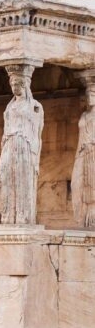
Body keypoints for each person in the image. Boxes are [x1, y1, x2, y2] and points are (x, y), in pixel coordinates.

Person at [0, 74, 44, 224]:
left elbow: (38, 132)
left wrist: (36, 158)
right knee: (2, 177)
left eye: (17, 83)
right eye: (12, 83)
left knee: (23, 179)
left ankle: (23, 217)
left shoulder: (35, 106)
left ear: (25, 84)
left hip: (25, 144)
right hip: (9, 144)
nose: (14, 86)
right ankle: (8, 215)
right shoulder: (9, 106)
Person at [72, 83, 95, 227]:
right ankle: (83, 217)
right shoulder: (84, 115)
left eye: (92, 94)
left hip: (93, 152)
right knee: (76, 183)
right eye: (87, 95)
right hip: (82, 152)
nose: (89, 98)